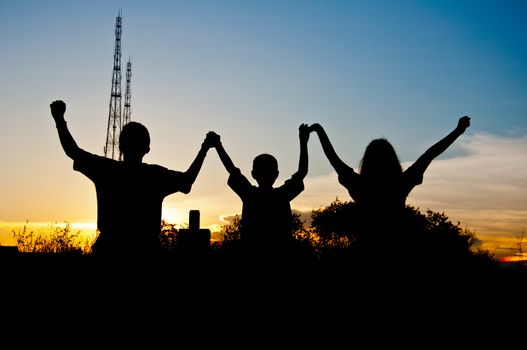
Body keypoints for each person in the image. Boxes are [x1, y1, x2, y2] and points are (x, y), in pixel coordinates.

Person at [50, 99, 215, 260]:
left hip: (110, 251)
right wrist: (204, 148)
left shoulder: (106, 170)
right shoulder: (155, 176)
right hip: (146, 252)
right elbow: (188, 180)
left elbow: (72, 151)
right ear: (147, 149)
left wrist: (59, 119)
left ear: (120, 146)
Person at [308, 116, 471, 269]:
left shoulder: (359, 184)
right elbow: (430, 154)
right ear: (392, 160)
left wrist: (319, 131)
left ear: (366, 161)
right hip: (398, 253)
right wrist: (458, 131)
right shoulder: (400, 183)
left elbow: (332, 157)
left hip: (364, 255)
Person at [208, 124, 310, 265]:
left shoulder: (250, 194)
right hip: (282, 255)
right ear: (277, 174)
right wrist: (303, 142)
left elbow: (232, 170)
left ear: (253, 174)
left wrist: (218, 146)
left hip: (251, 256)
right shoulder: (282, 195)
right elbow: (302, 173)